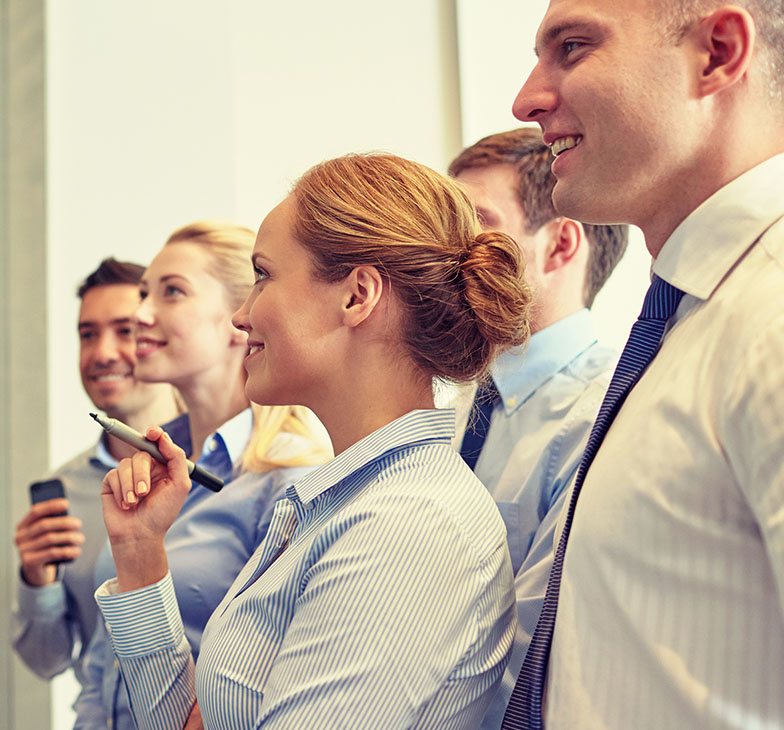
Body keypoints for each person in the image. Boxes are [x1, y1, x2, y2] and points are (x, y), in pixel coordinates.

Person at [96, 154, 530, 730]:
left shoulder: (407, 523)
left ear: (357, 296)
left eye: (263, 275)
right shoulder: (341, 503)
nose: (242, 316)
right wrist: (140, 555)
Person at [502, 1, 784, 728]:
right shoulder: (688, 316)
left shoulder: (772, 314)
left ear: (716, 53)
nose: (528, 97)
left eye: (572, 46)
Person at [74, 221, 331, 730]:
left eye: (171, 293)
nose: (140, 315)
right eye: (145, 292)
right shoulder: (145, 464)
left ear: (242, 315)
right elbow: (104, 662)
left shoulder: (290, 484)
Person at [445, 127, 627, 729]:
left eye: (475, 225)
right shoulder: (459, 405)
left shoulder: (607, 412)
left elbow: (531, 658)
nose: (448, 254)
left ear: (558, 245)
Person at [11, 258, 179, 687]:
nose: (102, 353)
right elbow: (45, 662)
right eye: (88, 335)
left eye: (125, 330)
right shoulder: (66, 488)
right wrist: (36, 581)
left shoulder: (216, 472)